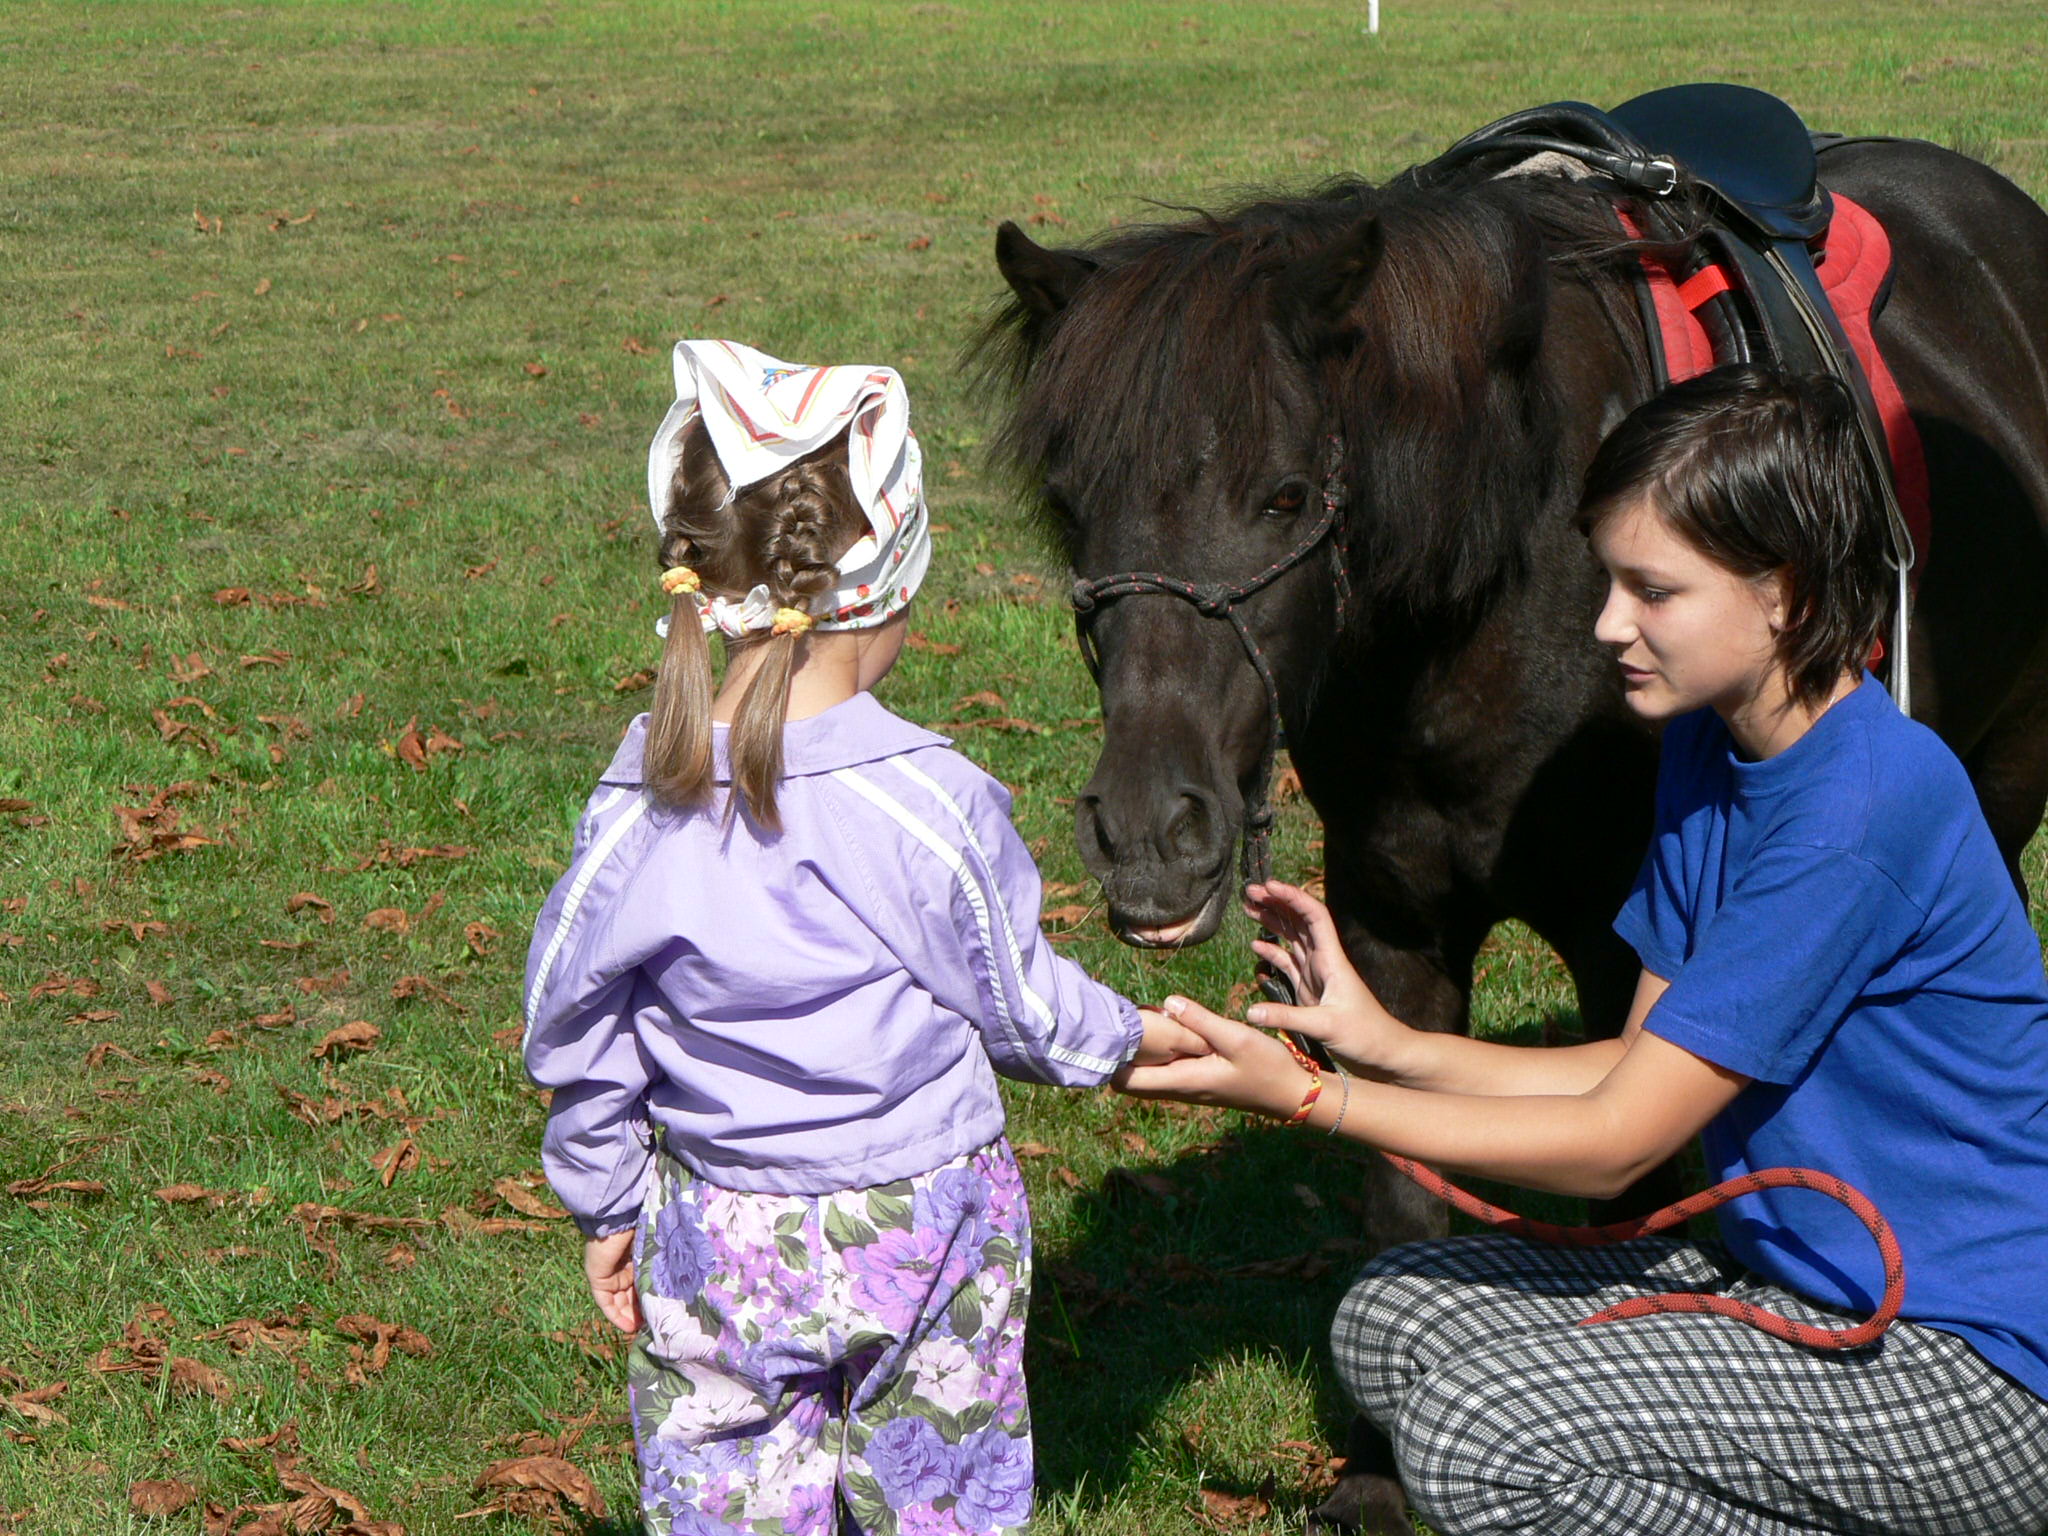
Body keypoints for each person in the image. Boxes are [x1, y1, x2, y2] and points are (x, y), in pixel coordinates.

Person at [1118, 367, 2048, 1536]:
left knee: (1474, 1433)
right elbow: (1626, 1065)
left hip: (1966, 1371)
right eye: (1608, 580)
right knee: (1387, 1320)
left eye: (1650, 590)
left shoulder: (1856, 812)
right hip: (1797, 1294)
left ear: (1783, 595)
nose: (1607, 624)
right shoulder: (1713, 747)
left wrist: (1317, 1103)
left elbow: (1614, 1146)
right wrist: (1382, 1043)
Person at [523, 339, 1202, 1536]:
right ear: (886, 584)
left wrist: (607, 1198)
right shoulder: (923, 802)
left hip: (716, 1230)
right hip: (926, 1222)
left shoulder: (637, 802)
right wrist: (1145, 1039)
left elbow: (576, 1022)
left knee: (726, 1501)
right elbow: (1024, 1008)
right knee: (939, 1503)